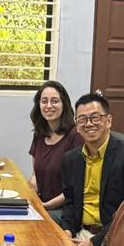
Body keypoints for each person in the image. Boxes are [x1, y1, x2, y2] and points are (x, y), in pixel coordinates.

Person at [60, 93, 124, 246]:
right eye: (82, 119)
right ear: (77, 126)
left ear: (108, 121)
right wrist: (66, 232)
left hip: (115, 237)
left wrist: (94, 243)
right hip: (80, 234)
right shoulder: (70, 159)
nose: (89, 124)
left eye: (95, 118)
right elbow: (70, 203)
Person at [28, 81, 83, 225]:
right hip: (43, 205)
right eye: (44, 101)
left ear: (64, 104)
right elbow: (35, 175)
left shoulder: (75, 136)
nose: (49, 106)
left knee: (31, 225)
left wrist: (46, 206)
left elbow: (76, 187)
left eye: (54, 101)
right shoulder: (39, 134)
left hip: (65, 209)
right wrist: (31, 195)